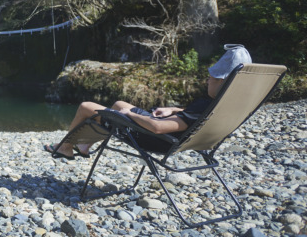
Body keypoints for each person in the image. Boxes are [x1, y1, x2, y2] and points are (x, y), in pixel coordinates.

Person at [44, 44, 252, 160]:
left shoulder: (205, 105)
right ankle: (86, 144)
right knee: (118, 104)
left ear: (223, 81)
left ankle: (66, 147)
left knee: (86, 107)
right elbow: (197, 117)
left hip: (154, 138)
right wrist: (175, 110)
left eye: (212, 77)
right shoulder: (227, 103)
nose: (208, 79)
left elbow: (157, 127)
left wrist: (130, 116)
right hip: (178, 135)